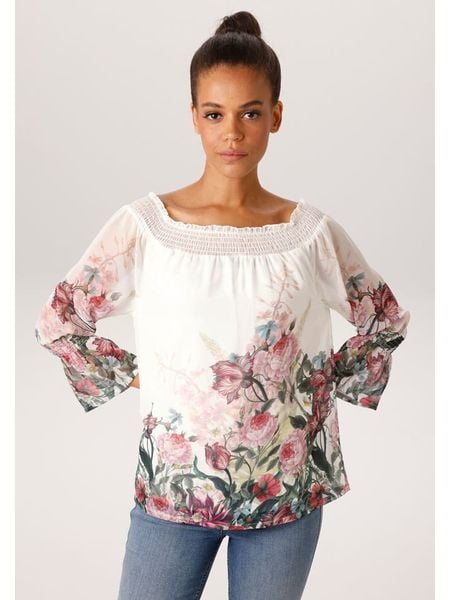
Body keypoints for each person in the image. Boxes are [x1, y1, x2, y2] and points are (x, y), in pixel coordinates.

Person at [34, 10, 411, 600]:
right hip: (174, 491)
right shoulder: (146, 229)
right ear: (193, 118)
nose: (232, 132)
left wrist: (315, 380)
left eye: (250, 113)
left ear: (276, 116)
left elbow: (383, 316)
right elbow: (61, 320)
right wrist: (139, 375)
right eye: (215, 114)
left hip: (285, 494)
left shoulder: (309, 234)